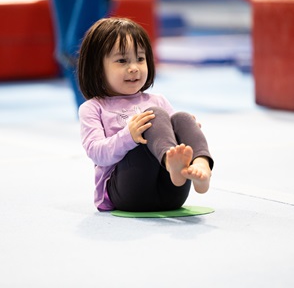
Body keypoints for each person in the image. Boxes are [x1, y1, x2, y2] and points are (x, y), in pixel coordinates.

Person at [78, 17, 214, 212]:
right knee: (154, 116)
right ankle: (170, 161)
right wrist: (129, 136)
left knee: (182, 118)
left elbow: (176, 134)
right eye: (122, 60)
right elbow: (97, 154)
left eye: (140, 59)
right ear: (97, 68)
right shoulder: (93, 108)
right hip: (127, 194)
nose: (134, 67)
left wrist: (186, 132)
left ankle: (201, 167)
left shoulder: (157, 99)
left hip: (172, 193)